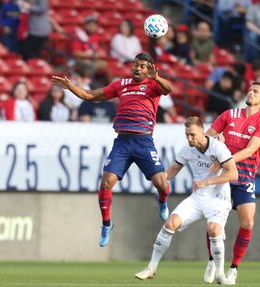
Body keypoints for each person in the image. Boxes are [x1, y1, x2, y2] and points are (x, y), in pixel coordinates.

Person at [52, 52, 173, 247]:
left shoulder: (153, 85)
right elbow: (89, 95)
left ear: (149, 68)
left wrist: (156, 77)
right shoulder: (121, 84)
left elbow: (169, 89)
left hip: (144, 142)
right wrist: (69, 87)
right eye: (136, 65)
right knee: (106, 183)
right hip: (123, 142)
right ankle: (107, 224)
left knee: (162, 184)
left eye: (142, 66)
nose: (138, 68)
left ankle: (162, 201)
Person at [134, 117, 238, 285]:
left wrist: (206, 182)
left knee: (213, 230)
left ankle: (220, 274)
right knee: (170, 223)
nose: (189, 139)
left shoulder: (218, 147)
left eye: (192, 135)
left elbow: (233, 174)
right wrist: (160, 183)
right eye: (186, 135)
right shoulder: (187, 149)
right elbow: (174, 169)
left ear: (203, 133)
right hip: (198, 197)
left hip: (218, 199)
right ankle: (151, 268)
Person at [204, 82, 260, 284]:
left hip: (244, 178)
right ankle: (212, 262)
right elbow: (207, 136)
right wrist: (216, 137)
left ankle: (233, 269)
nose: (250, 92)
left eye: (256, 91)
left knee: (248, 222)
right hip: (223, 178)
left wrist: (226, 160)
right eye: (250, 89)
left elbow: (251, 150)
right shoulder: (229, 115)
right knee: (213, 224)